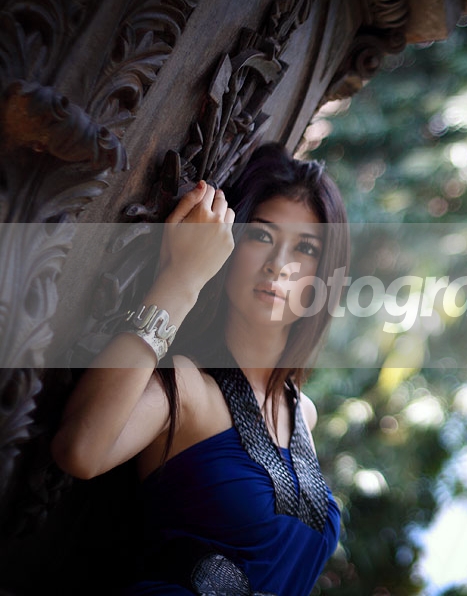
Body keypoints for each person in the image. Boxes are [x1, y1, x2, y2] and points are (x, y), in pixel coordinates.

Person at [51, 143, 350, 595]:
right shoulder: (187, 387)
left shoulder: (303, 413)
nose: (279, 266)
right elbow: (80, 451)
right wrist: (183, 278)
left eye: (306, 248)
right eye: (261, 236)